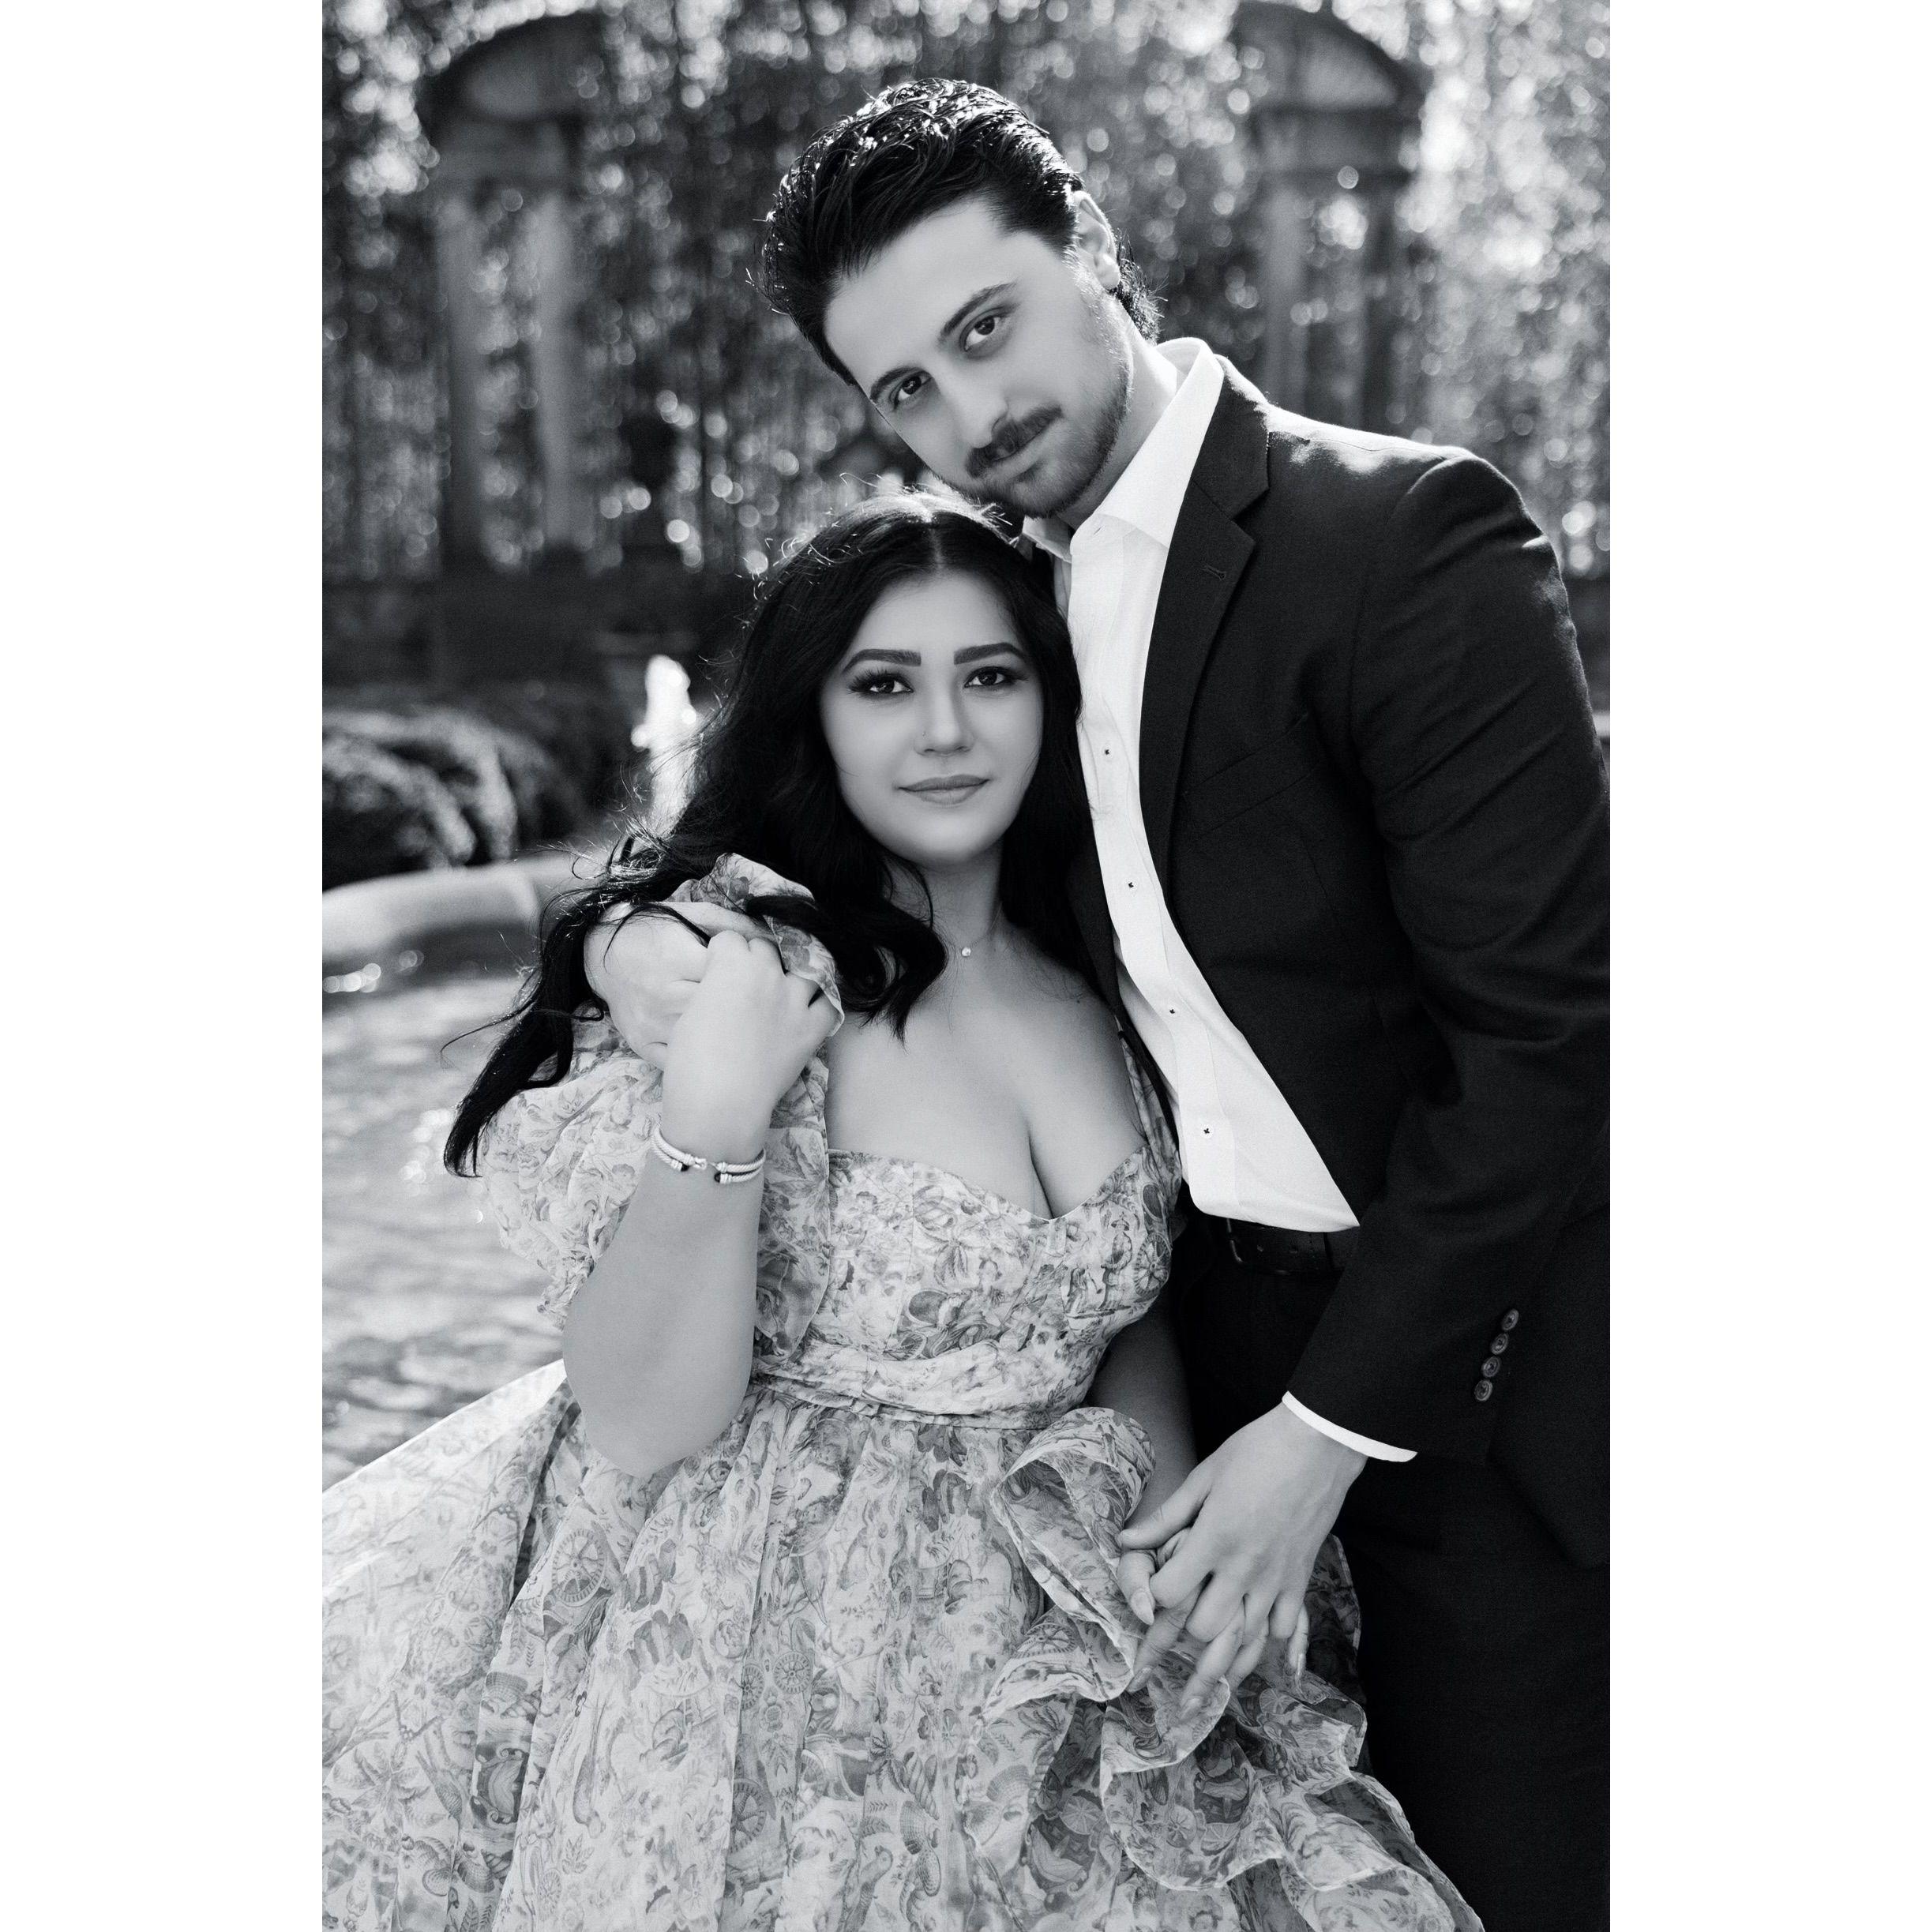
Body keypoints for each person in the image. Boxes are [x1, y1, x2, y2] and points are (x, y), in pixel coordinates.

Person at [591, 82, 1610, 1932]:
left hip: (1457, 1392)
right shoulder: (1009, 613)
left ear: (1097, 254)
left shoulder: (1402, 541)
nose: (968, 417)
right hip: (1169, 1418)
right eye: (906, 389)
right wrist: (623, 936)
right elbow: (828, 800)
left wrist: (1327, 1428)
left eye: (987, 328)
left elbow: (1554, 1038)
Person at [322, 493, 1478, 1930]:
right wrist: (717, 1105)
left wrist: (1167, 1550)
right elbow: (642, 1418)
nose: (945, 731)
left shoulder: (1112, 966)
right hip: (767, 1657)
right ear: (812, 714)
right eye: (884, 684)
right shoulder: (737, 967)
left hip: (1054, 1653)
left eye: (989, 675)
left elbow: (1112, 1312)